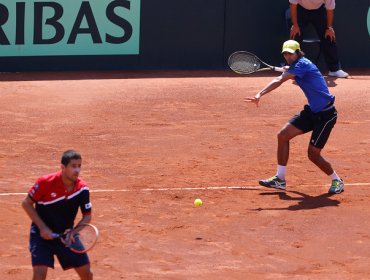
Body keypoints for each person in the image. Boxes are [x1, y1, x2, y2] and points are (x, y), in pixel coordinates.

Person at [244, 40, 344, 194]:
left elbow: (280, 79)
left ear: (298, 52)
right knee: (283, 135)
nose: (288, 56)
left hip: (326, 115)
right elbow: (288, 73)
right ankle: (280, 179)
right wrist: (288, 69)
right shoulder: (297, 66)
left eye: (291, 53)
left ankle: (337, 180)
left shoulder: (302, 64)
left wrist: (260, 94)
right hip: (312, 112)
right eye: (285, 53)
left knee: (313, 154)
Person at [22, 150, 93, 280]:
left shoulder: (82, 189)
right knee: (39, 275)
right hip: (41, 235)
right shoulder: (45, 182)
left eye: (79, 166)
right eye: (73, 166)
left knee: (87, 273)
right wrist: (42, 228)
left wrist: (73, 232)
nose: (77, 170)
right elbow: (26, 203)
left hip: (66, 235)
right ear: (63, 167)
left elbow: (87, 216)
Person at [289, 0, 349, 78]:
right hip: (300, 10)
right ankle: (293, 68)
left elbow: (329, 10)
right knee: (295, 36)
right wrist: (295, 25)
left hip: (319, 11)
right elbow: (293, 6)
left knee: (328, 36)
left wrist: (329, 28)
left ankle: (334, 70)